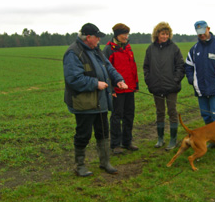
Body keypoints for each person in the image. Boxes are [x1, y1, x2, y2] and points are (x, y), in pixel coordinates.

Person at [63, 23, 128, 176]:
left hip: (101, 101)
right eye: (97, 36)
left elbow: (108, 67)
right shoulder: (73, 53)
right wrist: (95, 84)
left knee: (103, 132)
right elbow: (74, 79)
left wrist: (118, 79)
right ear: (88, 37)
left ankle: (105, 162)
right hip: (84, 103)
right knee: (83, 134)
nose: (99, 39)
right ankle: (79, 166)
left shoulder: (96, 50)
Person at [143, 22, 185, 150]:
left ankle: (173, 140)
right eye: (162, 34)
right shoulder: (150, 49)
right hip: (156, 87)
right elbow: (146, 67)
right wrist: (149, 81)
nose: (165, 36)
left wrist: (175, 80)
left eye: (167, 34)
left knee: (172, 111)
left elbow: (180, 66)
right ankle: (160, 139)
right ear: (157, 34)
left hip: (171, 87)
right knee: (159, 112)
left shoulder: (174, 48)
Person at [185, 20, 215, 126]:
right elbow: (188, 66)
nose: (202, 34)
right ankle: (211, 137)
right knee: (205, 115)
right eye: (199, 32)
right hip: (200, 88)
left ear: (208, 29)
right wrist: (191, 79)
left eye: (203, 31)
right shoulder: (194, 49)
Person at [103, 23, 139, 155]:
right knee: (116, 117)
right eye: (124, 34)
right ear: (117, 35)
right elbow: (105, 71)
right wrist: (111, 89)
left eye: (127, 34)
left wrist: (135, 84)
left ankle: (127, 141)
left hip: (129, 88)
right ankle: (115, 144)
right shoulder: (108, 50)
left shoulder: (129, 48)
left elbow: (133, 67)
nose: (126, 36)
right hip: (117, 90)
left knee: (129, 115)